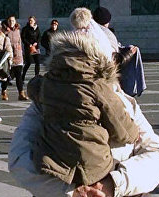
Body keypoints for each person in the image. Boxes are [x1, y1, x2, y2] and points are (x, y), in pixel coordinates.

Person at [10, 8, 159, 197]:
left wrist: (109, 185)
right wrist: (82, 191)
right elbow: (148, 149)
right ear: (109, 65)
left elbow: (18, 158)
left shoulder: (44, 98)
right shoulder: (118, 101)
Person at [27, 31, 139, 189]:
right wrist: (135, 134)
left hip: (51, 159)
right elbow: (123, 131)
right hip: (92, 164)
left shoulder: (46, 82)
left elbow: (32, 88)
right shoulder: (97, 85)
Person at [4, 15, 25, 101]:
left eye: (13, 21)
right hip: (8, 56)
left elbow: (20, 42)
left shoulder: (18, 31)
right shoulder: (4, 31)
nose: (11, 22)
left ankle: (21, 93)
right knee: (6, 75)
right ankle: (3, 91)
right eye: (10, 21)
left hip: (18, 55)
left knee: (19, 75)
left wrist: (21, 52)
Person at [21, 16, 41, 81]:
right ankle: (22, 76)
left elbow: (39, 36)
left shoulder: (37, 28)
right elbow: (23, 38)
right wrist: (29, 44)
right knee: (28, 62)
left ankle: (36, 77)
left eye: (31, 20)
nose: (30, 22)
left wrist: (37, 42)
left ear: (34, 21)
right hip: (28, 47)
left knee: (37, 62)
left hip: (35, 47)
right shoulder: (25, 29)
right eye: (29, 20)